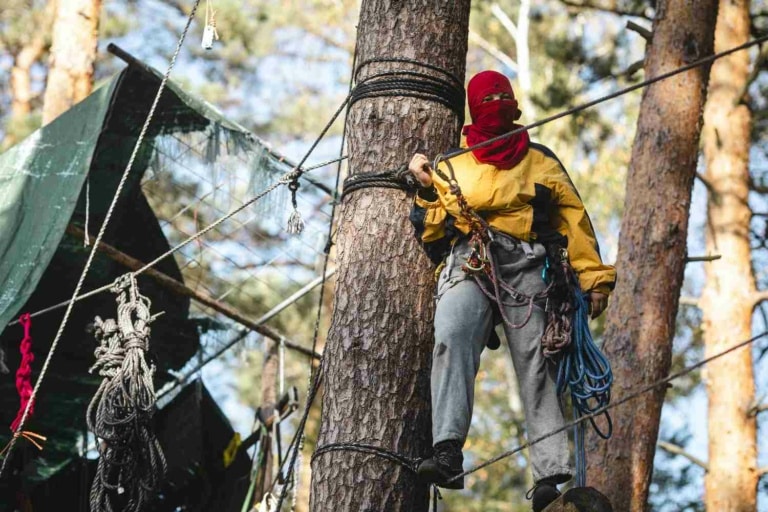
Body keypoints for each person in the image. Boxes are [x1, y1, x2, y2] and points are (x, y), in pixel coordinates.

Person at [408, 70, 616, 512]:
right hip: (473, 262)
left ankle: (550, 475)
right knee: (451, 335)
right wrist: (427, 190)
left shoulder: (541, 161)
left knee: (538, 363)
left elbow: (574, 223)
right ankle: (447, 451)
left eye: (504, 96)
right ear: (475, 107)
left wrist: (594, 279)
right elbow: (431, 233)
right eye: (490, 98)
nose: (498, 103)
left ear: (515, 104)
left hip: (528, 267)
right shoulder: (453, 166)